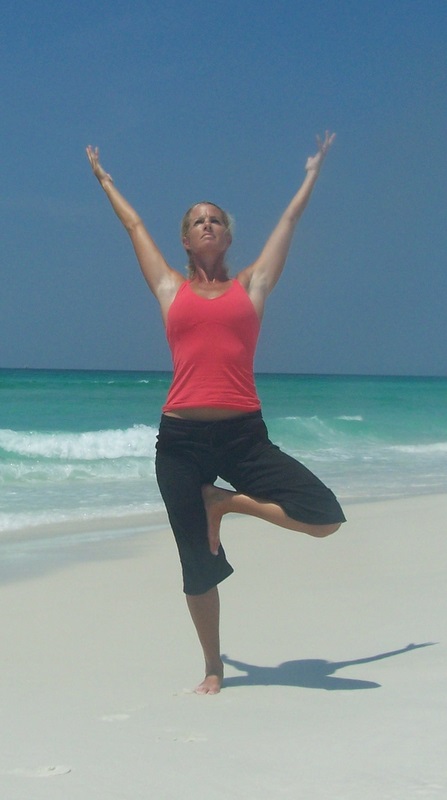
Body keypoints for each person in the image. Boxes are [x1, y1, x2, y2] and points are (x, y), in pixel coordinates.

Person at [86, 132, 346, 694]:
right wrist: (104, 180)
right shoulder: (168, 287)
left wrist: (312, 173)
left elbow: (289, 223)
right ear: (185, 238)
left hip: (243, 438)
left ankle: (223, 502)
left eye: (216, 220)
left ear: (227, 235)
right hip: (180, 443)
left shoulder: (252, 285)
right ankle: (213, 666)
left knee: (325, 516)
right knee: (197, 562)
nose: (207, 225)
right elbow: (134, 226)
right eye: (198, 221)